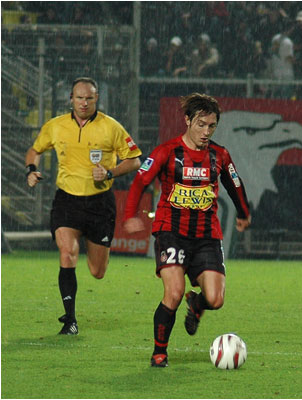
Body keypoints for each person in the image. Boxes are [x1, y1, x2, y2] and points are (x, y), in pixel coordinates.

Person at [123, 93, 251, 367]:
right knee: (173, 292)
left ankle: (197, 304)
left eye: (212, 126)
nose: (206, 132)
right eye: (201, 124)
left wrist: (243, 213)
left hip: (207, 236)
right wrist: (130, 214)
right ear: (187, 120)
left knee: (215, 300)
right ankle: (159, 352)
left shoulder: (220, 155)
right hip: (172, 232)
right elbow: (139, 182)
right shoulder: (167, 152)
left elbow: (234, 184)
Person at [25, 77, 142, 335]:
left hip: (100, 204)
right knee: (67, 252)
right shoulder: (55, 126)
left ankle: (93, 253)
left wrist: (110, 173)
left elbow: (135, 160)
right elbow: (34, 151)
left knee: (97, 271)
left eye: (89, 98)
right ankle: (70, 320)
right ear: (71, 99)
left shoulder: (111, 127)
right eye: (79, 98)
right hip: (67, 201)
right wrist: (31, 170)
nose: (84, 103)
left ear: (96, 98)